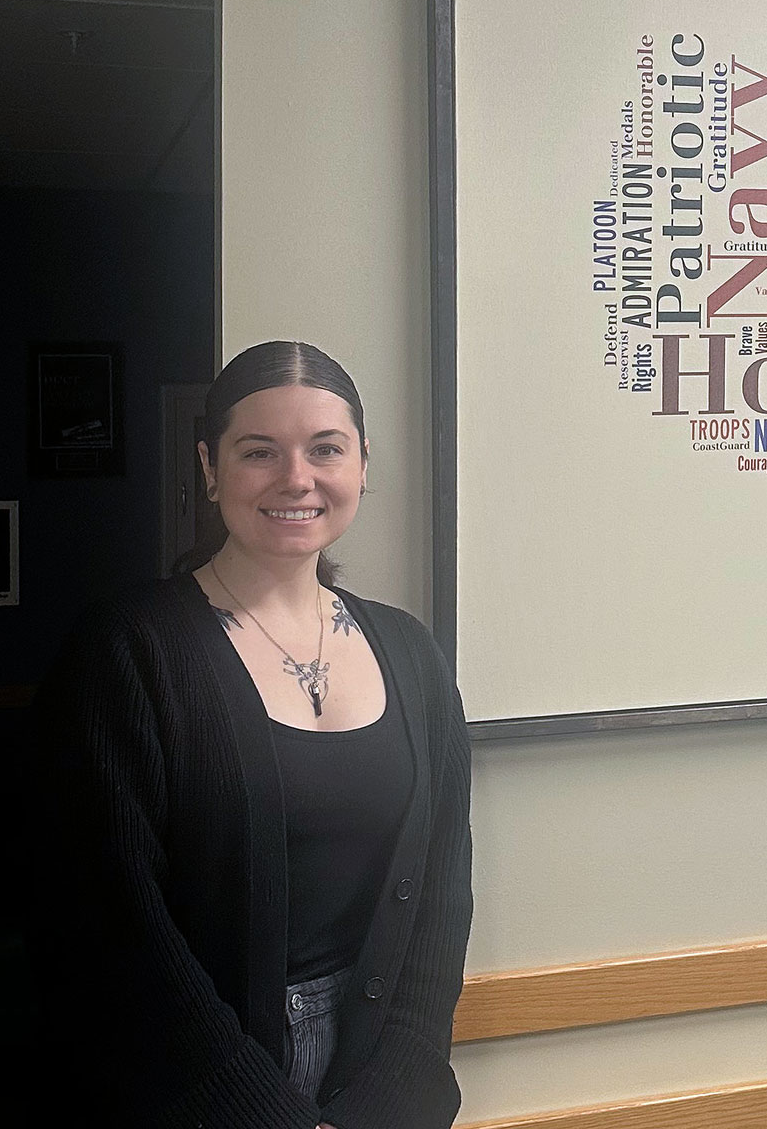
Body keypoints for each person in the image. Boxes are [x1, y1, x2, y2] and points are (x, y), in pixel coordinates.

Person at [34, 341, 472, 1129]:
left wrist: (397, 1089)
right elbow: (109, 920)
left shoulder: (411, 651)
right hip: (194, 1083)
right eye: (259, 451)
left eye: (325, 449)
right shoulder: (130, 650)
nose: (296, 478)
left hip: (376, 1072)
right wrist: (258, 1110)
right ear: (210, 466)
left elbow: (444, 887)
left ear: (363, 464)